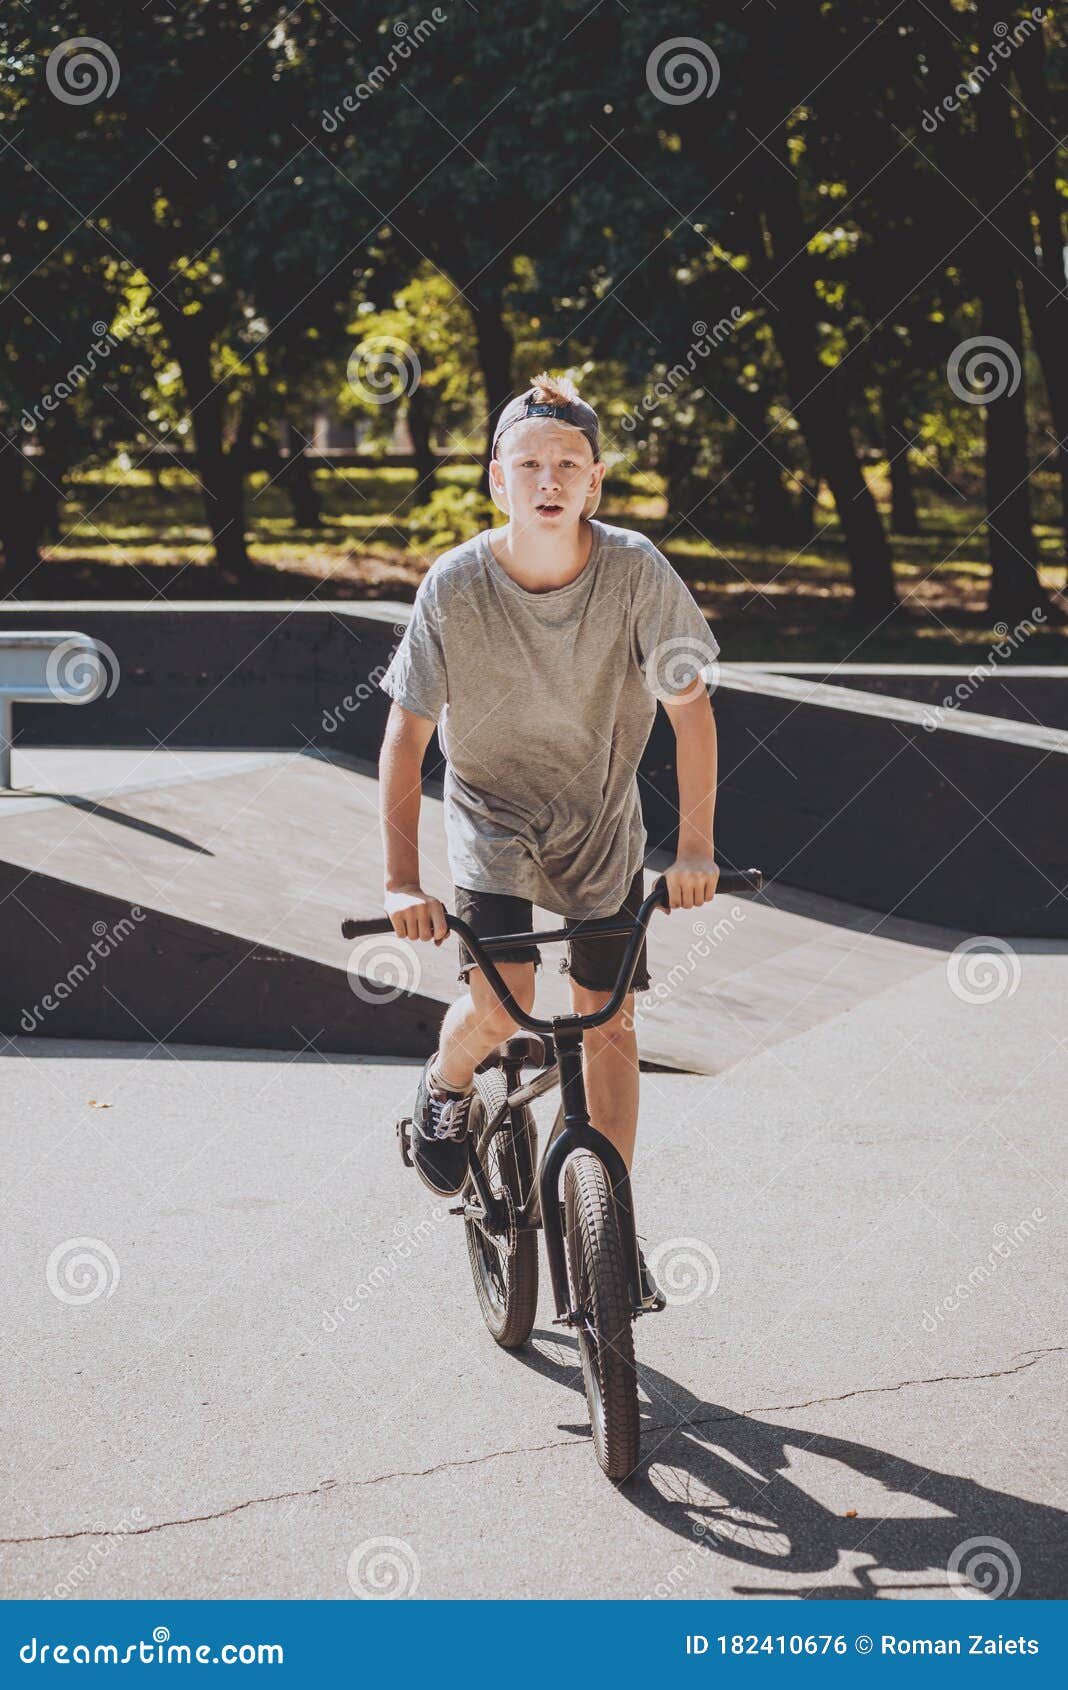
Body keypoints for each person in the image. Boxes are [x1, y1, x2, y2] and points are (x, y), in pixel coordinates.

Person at [376, 372, 721, 1309]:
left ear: (596, 483)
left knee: (608, 1019)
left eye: (569, 463)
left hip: (602, 818)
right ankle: (446, 1086)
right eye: (528, 464)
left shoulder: (637, 571)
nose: (549, 480)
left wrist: (693, 852)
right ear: (498, 481)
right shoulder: (455, 583)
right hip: (490, 815)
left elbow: (692, 713)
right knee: (505, 1004)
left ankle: (615, 1228)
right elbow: (407, 737)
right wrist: (404, 880)